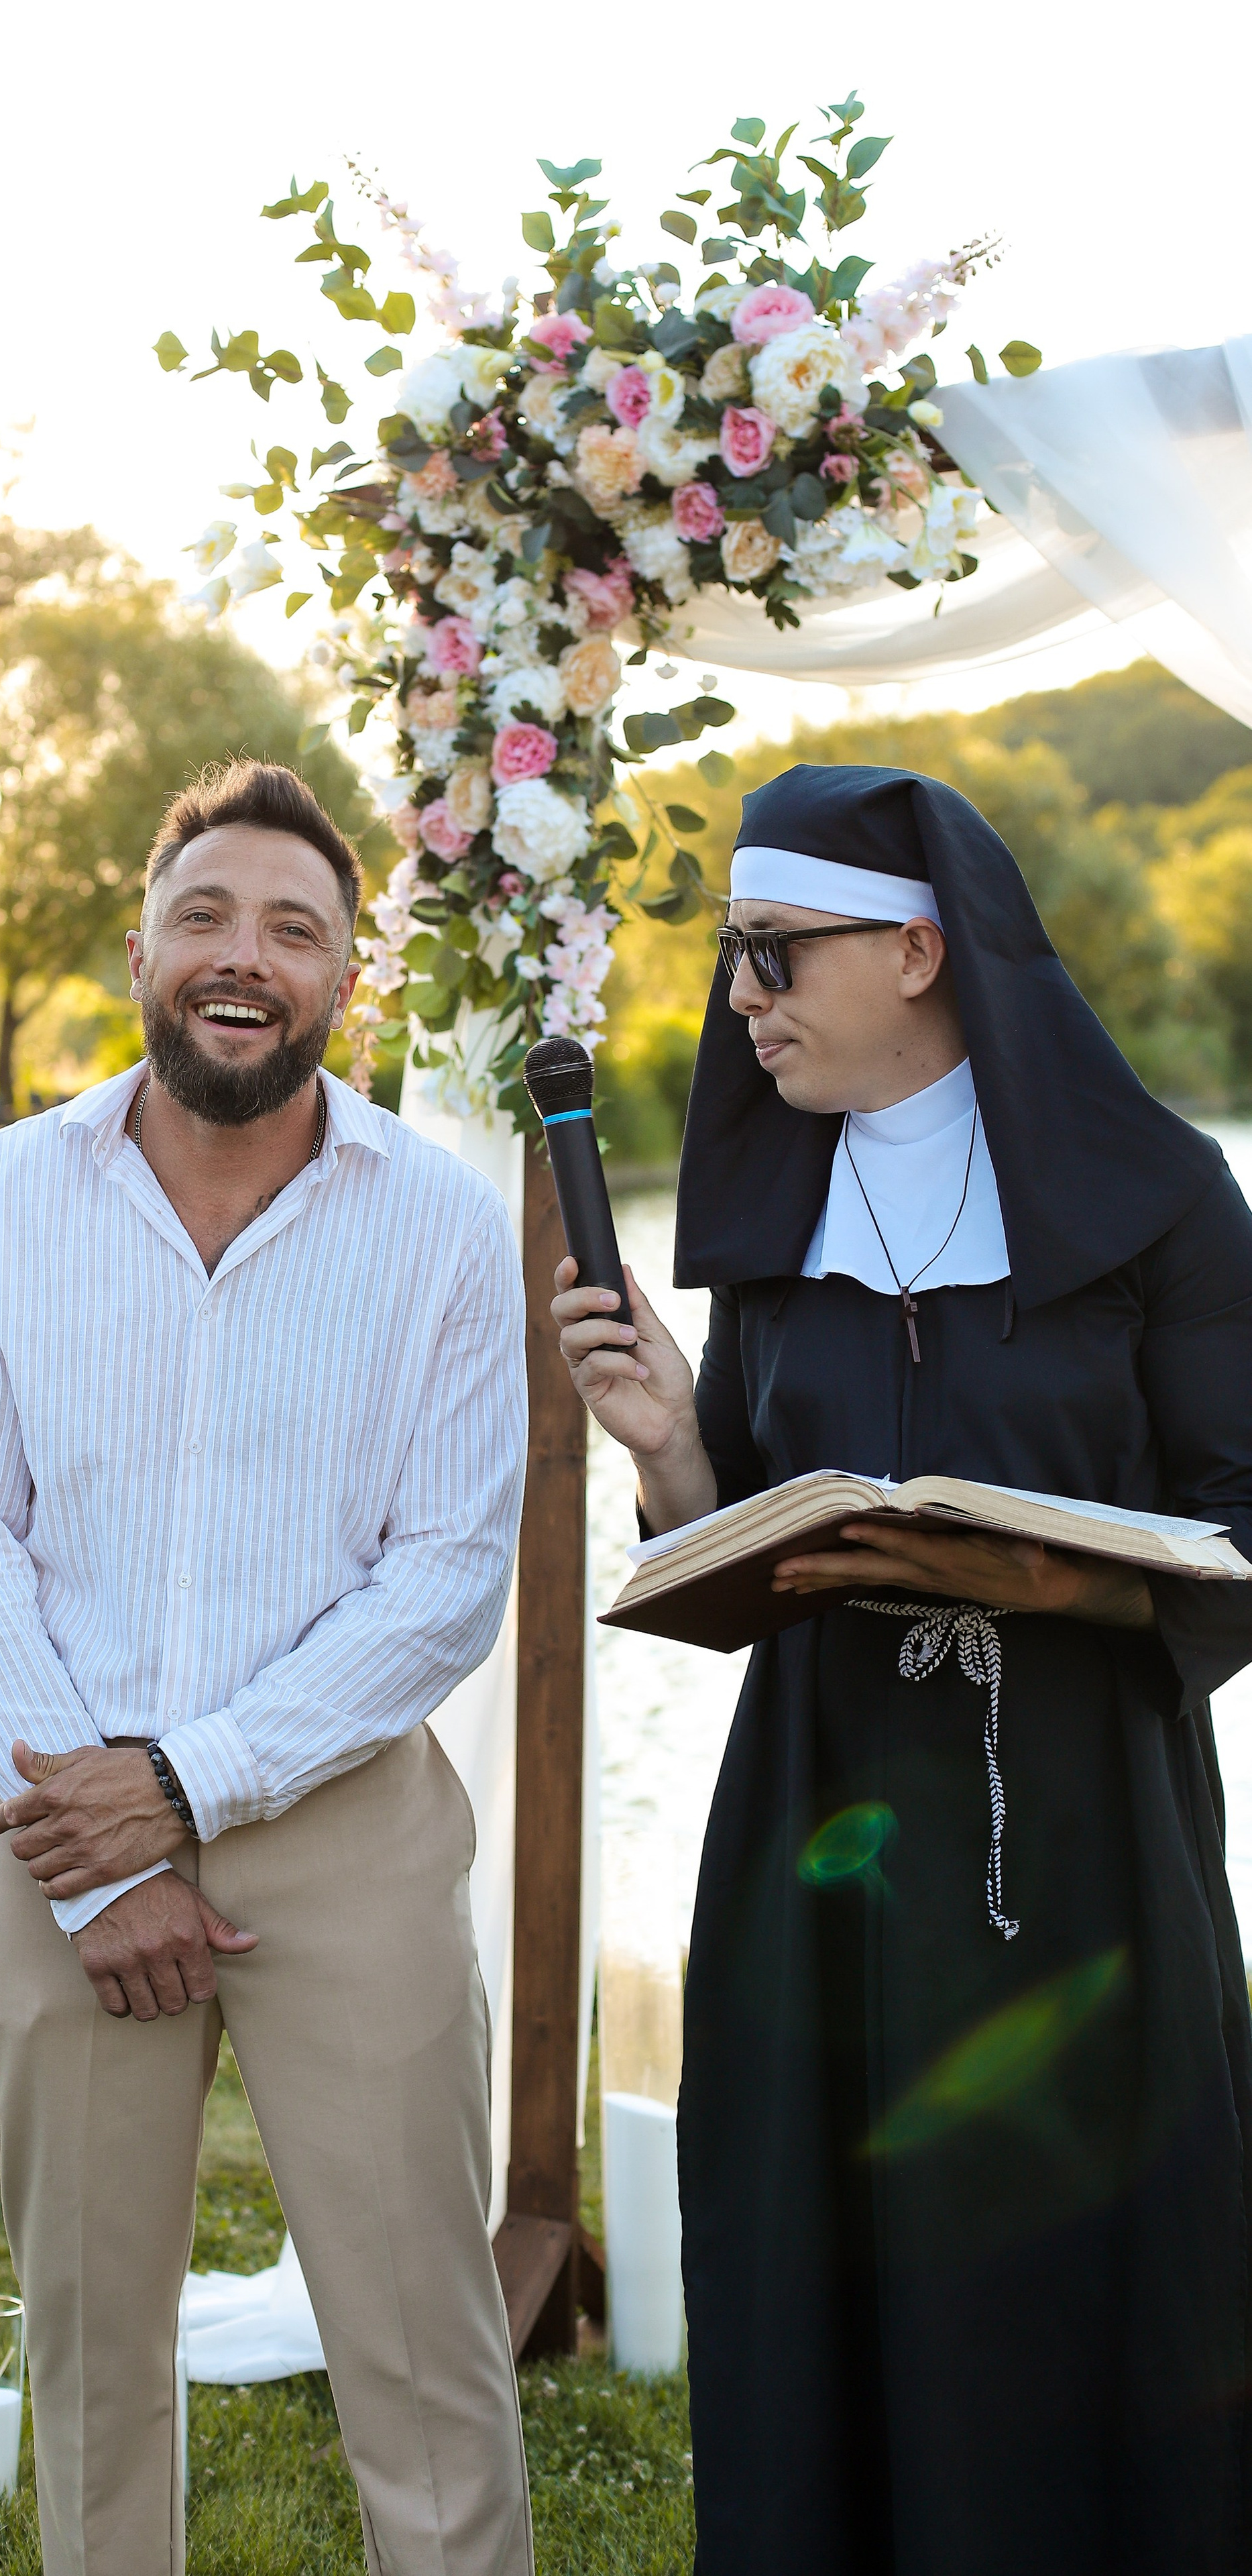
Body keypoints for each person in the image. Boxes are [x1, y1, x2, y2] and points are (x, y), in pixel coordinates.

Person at [553, 763, 1252, 2576]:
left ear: (920, 950)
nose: (741, 998)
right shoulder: (776, 1219)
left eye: (775, 953)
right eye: (731, 957)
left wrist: (1046, 1577)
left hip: (1081, 1844)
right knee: (819, 2255)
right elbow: (746, 1548)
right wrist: (671, 1452)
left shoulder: (1161, 1201)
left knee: (1084, 2257)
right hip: (822, 1833)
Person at [0, 759, 531, 2576]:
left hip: (344, 1830)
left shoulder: (439, 1223)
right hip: (50, 1831)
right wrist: (99, 1858)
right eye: (205, 916)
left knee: (420, 2340)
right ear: (140, 952)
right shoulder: (5, 1195)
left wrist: (183, 1789)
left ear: (345, 978)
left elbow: (445, 1579)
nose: (243, 955)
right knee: (91, 2343)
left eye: (292, 928)